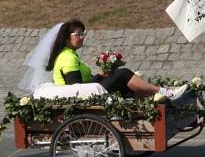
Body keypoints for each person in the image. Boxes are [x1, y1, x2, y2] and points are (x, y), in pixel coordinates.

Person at [45, 19, 185, 99]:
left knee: (123, 79)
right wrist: (100, 75)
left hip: (88, 92)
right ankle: (164, 92)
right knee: (122, 73)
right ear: (67, 37)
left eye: (83, 34)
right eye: (78, 34)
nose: (82, 37)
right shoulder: (67, 58)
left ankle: (158, 98)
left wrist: (103, 74)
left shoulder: (70, 54)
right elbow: (75, 88)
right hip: (81, 97)